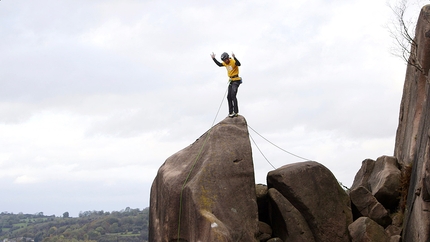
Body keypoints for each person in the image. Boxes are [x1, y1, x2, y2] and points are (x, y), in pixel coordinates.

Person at [210, 52, 242, 118]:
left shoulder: (233, 61)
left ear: (228, 58)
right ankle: (231, 112)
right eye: (224, 60)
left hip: (236, 80)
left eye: (226, 60)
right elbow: (219, 64)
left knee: (233, 95)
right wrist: (214, 59)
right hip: (231, 81)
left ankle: (236, 112)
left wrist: (235, 57)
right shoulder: (225, 63)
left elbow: (239, 64)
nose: (225, 61)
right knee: (228, 97)